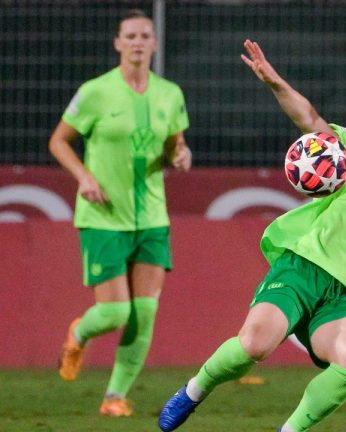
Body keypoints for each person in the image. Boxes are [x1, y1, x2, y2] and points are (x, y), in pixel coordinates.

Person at [157, 39, 346, 432]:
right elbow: (309, 118)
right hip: (303, 268)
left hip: (345, 295)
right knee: (254, 346)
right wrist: (274, 81)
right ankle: (195, 390)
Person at [49, 9, 192, 417]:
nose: (137, 42)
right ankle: (78, 333)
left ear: (154, 43)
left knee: (143, 314)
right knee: (114, 312)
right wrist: (83, 177)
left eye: (145, 35)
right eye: (130, 35)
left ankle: (115, 396)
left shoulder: (170, 94)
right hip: (102, 215)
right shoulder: (95, 91)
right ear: (117, 43)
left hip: (152, 217)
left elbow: (173, 148)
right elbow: (59, 142)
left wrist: (180, 156)